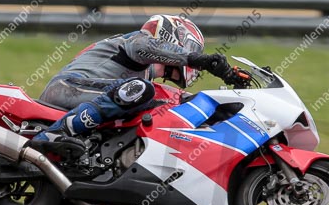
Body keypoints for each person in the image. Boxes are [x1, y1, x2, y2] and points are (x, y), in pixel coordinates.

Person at [29, 14, 245, 156]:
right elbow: (144, 47)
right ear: (173, 36)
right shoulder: (137, 41)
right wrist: (197, 59)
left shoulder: (145, 71)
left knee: (157, 101)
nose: (192, 54)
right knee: (142, 90)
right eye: (190, 47)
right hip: (70, 87)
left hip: (85, 92)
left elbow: (173, 98)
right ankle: (53, 134)